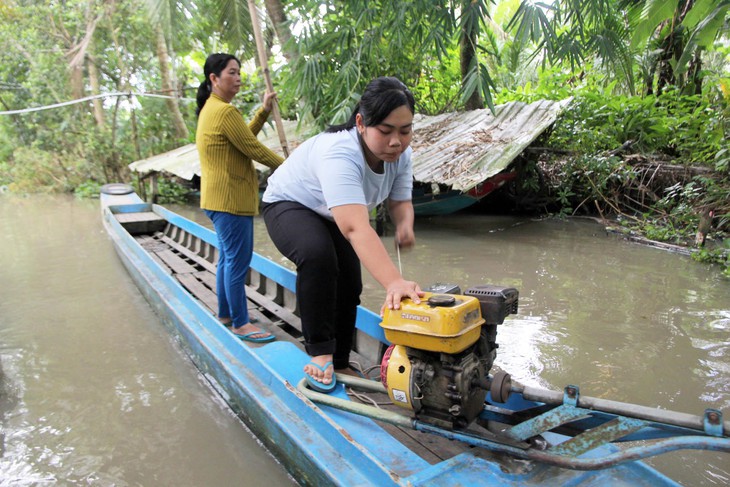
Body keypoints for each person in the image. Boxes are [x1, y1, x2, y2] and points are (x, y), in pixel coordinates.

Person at [261, 76, 424, 392]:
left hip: (333, 212)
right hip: (290, 203)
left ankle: (340, 359)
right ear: (361, 123)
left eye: (405, 131)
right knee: (318, 255)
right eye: (386, 131)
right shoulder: (340, 151)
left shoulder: (402, 155)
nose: (396, 142)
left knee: (350, 280)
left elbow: (401, 200)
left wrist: (405, 224)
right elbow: (354, 227)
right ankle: (321, 353)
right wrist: (394, 282)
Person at [195, 52, 284, 343]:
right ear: (214, 78)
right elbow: (253, 148)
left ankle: (226, 313)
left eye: (239, 73)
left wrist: (263, 112)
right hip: (231, 201)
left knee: (227, 260)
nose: (238, 78)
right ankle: (240, 323)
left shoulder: (213, 109)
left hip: (216, 200)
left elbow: (242, 138)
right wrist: (291, 166)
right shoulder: (224, 111)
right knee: (238, 262)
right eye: (232, 73)